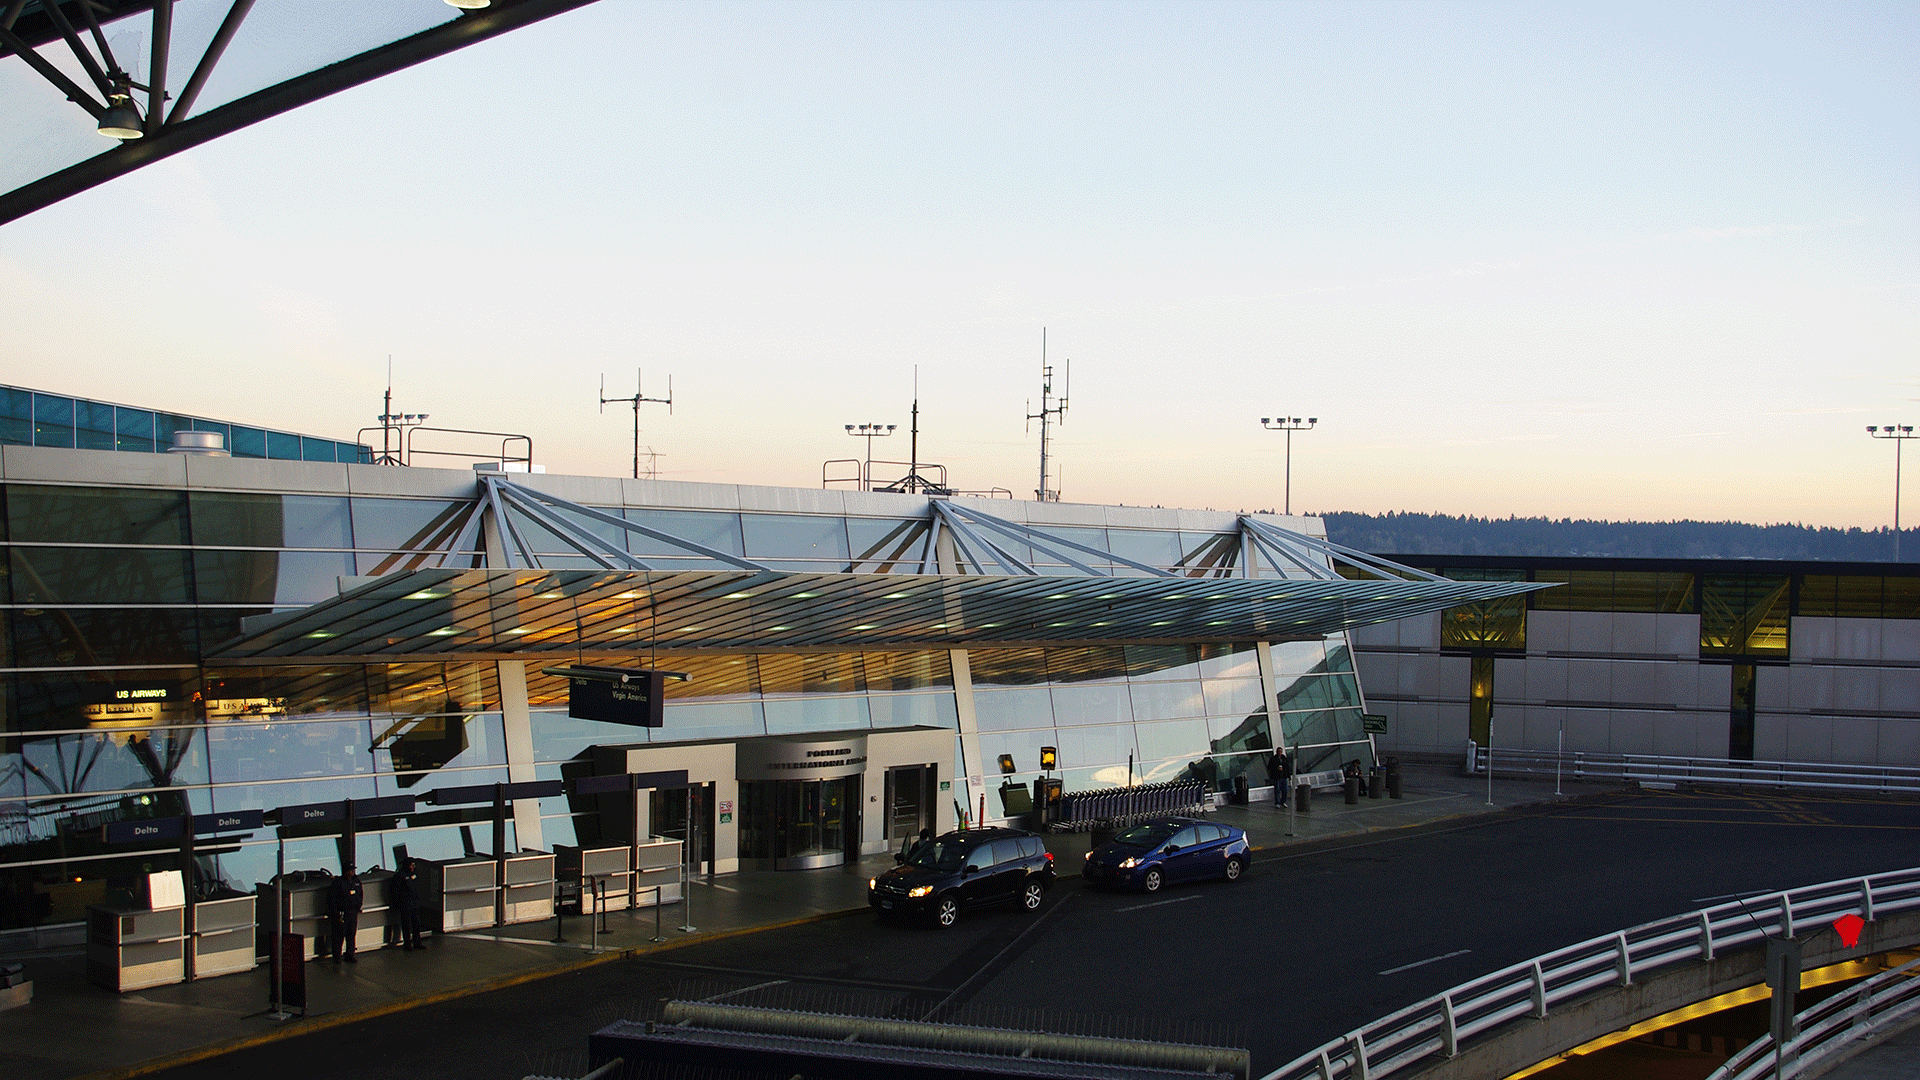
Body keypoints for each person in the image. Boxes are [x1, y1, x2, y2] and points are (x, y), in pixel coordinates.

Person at [329, 864, 365, 963]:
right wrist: (336, 914)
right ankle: (337, 957)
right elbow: (332, 899)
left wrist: (358, 906)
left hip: (353, 912)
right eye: (350, 870)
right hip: (342, 913)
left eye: (353, 870)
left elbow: (360, 894)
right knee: (339, 936)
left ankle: (350, 954)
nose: (352, 872)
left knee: (351, 934)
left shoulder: (356, 881)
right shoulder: (338, 883)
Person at [391, 857, 424, 951]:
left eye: (414, 865)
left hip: (415, 903)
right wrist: (398, 903)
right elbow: (395, 891)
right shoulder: (400, 876)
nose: (412, 867)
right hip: (405, 904)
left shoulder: (415, 874)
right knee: (406, 925)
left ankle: (417, 942)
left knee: (416, 924)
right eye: (411, 865)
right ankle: (407, 944)